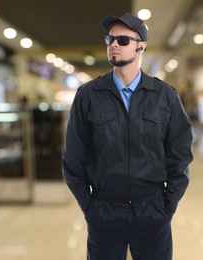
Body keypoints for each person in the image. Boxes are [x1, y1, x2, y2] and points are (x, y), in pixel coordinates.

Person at [62, 12, 194, 260]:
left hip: (153, 211)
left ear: (140, 46)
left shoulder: (164, 96)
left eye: (122, 40)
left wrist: (167, 206)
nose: (113, 44)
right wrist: (90, 208)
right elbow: (73, 159)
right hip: (104, 211)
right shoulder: (88, 95)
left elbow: (181, 154)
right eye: (110, 39)